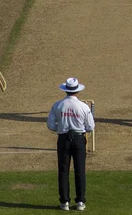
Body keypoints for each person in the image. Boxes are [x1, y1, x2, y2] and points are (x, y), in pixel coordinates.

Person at [47, 77, 95, 211]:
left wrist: (62, 129)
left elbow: (50, 125)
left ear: (65, 91)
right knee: (80, 171)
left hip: (63, 139)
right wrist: (79, 130)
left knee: (63, 171)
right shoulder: (83, 107)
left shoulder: (58, 105)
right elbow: (90, 126)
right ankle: (80, 202)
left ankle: (64, 203)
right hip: (79, 139)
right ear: (77, 91)